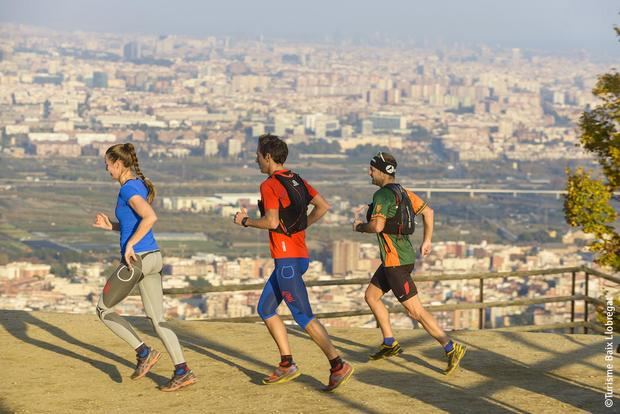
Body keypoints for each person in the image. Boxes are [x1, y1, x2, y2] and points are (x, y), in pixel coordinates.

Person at [233, 134, 353, 392]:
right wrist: (300, 227)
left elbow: (272, 222)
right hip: (297, 256)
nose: (255, 159)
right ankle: (287, 364)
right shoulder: (296, 179)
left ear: (267, 156)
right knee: (265, 308)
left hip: (287, 260)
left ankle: (337, 364)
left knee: (303, 315)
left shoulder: (269, 185)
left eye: (257, 154)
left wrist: (245, 221)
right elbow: (323, 206)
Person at [92, 143, 197, 391]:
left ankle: (143, 353)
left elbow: (150, 217)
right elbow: (134, 223)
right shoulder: (138, 184)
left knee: (103, 310)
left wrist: (130, 247)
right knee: (158, 320)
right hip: (153, 257)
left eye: (107, 164)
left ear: (118, 164)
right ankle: (182, 371)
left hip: (137, 260)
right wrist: (112, 227)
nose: (106, 169)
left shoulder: (129, 189)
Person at [353, 152, 466, 375]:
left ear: (382, 172)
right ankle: (389, 342)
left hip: (395, 262)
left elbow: (376, 226)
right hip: (398, 258)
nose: (369, 173)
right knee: (371, 296)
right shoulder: (402, 192)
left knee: (415, 311)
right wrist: (427, 240)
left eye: (372, 169)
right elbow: (429, 212)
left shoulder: (383, 196)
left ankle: (450, 347)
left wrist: (358, 226)